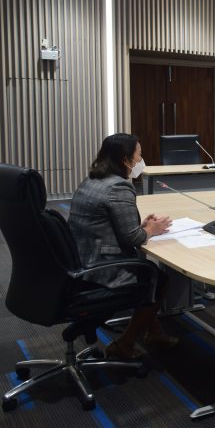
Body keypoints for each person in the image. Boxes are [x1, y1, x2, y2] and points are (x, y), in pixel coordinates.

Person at [68, 133, 175, 359]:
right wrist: (149, 230)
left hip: (80, 259)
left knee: (149, 274)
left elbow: (111, 224)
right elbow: (132, 239)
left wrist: (142, 225)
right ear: (125, 160)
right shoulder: (119, 187)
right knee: (158, 279)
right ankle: (125, 343)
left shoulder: (92, 180)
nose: (141, 160)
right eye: (139, 155)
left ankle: (154, 331)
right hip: (101, 269)